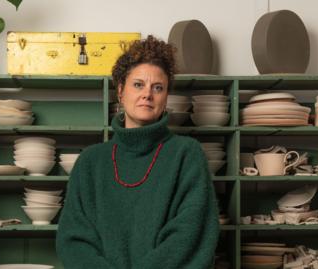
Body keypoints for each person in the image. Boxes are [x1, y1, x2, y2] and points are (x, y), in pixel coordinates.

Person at [56, 35, 220, 269]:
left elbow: (190, 235)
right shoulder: (90, 162)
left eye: (158, 87)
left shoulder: (186, 155)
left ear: (165, 97)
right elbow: (73, 240)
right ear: (121, 92)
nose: (147, 94)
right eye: (138, 84)